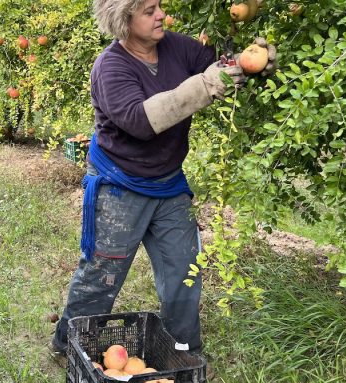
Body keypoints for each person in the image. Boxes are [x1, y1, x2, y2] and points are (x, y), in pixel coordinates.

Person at [51, 0, 277, 357]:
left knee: (184, 273)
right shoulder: (110, 68)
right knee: (101, 275)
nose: (160, 16)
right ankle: (70, 347)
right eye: (148, 10)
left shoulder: (179, 46)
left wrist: (254, 65)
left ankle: (183, 351)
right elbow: (142, 122)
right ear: (124, 19)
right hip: (120, 185)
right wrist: (204, 85)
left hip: (168, 183)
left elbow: (223, 68)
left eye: (159, 6)